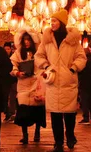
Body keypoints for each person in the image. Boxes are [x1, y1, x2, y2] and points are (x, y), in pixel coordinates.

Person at [35, 10, 87, 152]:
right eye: (51, 21)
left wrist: (72, 69)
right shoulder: (46, 40)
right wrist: (46, 66)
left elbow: (81, 57)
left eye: (55, 21)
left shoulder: (73, 41)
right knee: (55, 114)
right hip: (52, 82)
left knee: (69, 114)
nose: (52, 23)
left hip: (68, 82)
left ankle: (70, 135)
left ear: (62, 23)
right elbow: (38, 56)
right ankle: (58, 142)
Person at [10, 28, 46, 145]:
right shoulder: (18, 53)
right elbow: (13, 66)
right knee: (23, 111)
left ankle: (37, 132)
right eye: (24, 40)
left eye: (28, 40)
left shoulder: (39, 53)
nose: (26, 42)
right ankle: (25, 135)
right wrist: (17, 73)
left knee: (38, 111)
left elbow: (43, 65)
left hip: (37, 84)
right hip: (23, 85)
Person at [3, 41, 17, 122]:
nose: (7, 50)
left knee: (12, 98)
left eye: (8, 49)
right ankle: (7, 113)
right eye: (5, 49)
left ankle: (12, 113)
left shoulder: (13, 58)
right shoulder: (2, 58)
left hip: (13, 80)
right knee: (5, 97)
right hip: (5, 80)